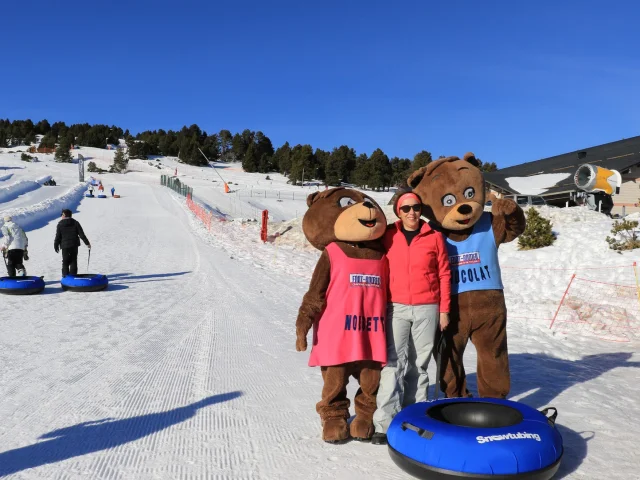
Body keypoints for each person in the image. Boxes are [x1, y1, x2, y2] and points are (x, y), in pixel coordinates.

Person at [371, 190, 451, 445]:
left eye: (415, 207)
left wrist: (444, 310)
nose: (411, 213)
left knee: (420, 364)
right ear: (398, 211)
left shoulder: (435, 237)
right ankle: (383, 423)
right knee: (393, 362)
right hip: (396, 306)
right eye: (406, 209)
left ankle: (413, 416)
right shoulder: (388, 236)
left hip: (428, 307)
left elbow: (445, 274)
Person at [54, 209, 91, 277]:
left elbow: (58, 236)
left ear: (64, 215)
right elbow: (82, 234)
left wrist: (55, 245)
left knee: (65, 261)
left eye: (61, 214)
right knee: (73, 260)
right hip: (74, 245)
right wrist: (87, 243)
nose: (61, 216)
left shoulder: (60, 224)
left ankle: (65, 277)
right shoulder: (75, 223)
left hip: (64, 246)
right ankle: (73, 277)